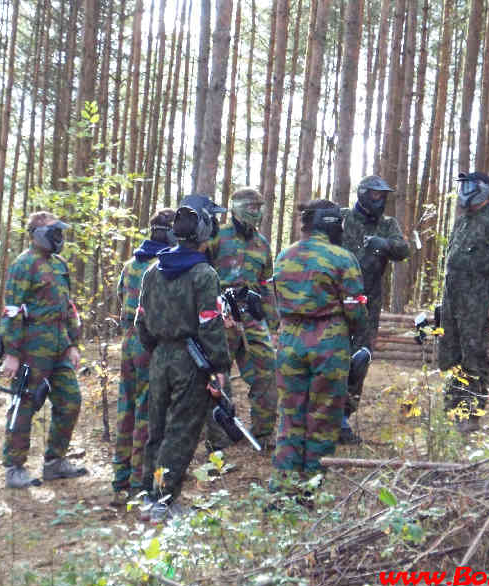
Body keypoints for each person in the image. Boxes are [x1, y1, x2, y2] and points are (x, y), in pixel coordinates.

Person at [135, 195, 232, 523]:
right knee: (181, 430)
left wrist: (158, 349)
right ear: (205, 235)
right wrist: (219, 366)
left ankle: (150, 494)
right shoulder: (204, 274)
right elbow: (210, 323)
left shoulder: (152, 270)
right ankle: (163, 500)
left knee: (157, 428)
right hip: (190, 358)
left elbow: (141, 321)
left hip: (160, 356)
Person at [271, 200, 368, 490]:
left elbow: (276, 302)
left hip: (289, 341)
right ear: (331, 224)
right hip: (329, 343)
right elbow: (355, 309)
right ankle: (311, 488)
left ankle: (283, 487)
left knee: (290, 417)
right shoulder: (342, 258)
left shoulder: (284, 256)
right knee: (324, 417)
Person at [0, 211, 88, 488]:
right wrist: (11, 353)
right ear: (38, 234)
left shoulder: (60, 265)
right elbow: (11, 309)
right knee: (23, 405)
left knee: (71, 400)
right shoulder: (23, 264)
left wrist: (73, 343)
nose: (59, 237)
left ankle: (55, 461)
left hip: (59, 344)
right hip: (30, 345)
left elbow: (68, 307)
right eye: (53, 231)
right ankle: (14, 467)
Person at [438, 171, 489, 432]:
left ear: (483, 190)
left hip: (478, 299)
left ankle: (471, 414)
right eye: (463, 185)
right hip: (452, 299)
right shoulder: (462, 221)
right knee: (450, 353)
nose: (465, 190)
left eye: (470, 185)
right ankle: (452, 408)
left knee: (473, 354)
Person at [205, 187, 279, 451]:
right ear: (235, 207)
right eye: (250, 207)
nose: (255, 212)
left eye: (259, 207)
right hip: (218, 316)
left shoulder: (262, 243)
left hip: (252, 316)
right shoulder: (216, 237)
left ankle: (264, 431)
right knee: (217, 374)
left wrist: (273, 321)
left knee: (267, 369)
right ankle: (220, 437)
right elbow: (199, 275)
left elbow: (266, 283)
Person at [111, 209, 176, 505]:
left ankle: (120, 477)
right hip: (152, 344)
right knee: (148, 414)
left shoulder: (130, 264)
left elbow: (119, 298)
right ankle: (140, 481)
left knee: (126, 407)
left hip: (129, 343)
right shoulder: (166, 266)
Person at [340, 175, 410, 443]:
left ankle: (344, 416)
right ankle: (324, 413)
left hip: (368, 302)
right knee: (333, 355)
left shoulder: (387, 224)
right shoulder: (344, 218)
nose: (380, 201)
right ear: (363, 194)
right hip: (336, 300)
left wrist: (387, 245)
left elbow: (404, 251)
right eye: (376, 195)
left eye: (383, 197)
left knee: (360, 358)